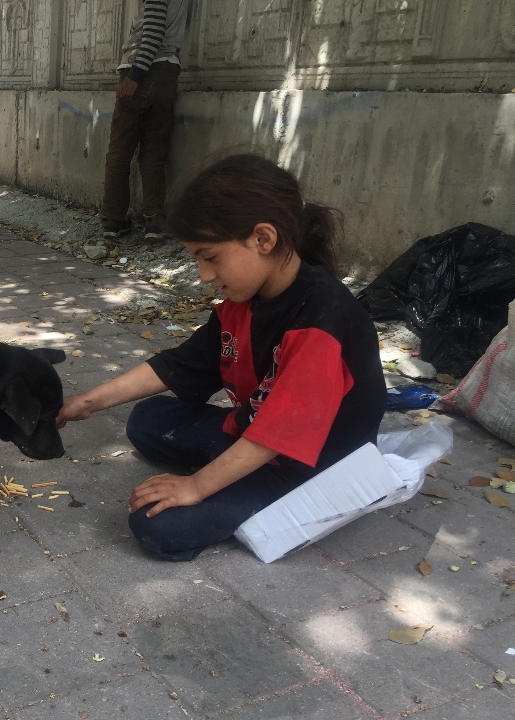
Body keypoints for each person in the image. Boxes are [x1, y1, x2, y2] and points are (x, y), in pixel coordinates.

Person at [59, 154, 386, 561]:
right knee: (147, 418)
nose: (204, 275)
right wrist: (84, 402)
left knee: (156, 523)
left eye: (210, 257)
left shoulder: (323, 321)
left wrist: (194, 486)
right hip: (257, 432)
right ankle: (227, 469)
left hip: (311, 467)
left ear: (263, 239)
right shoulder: (243, 303)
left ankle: (233, 483)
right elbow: (178, 365)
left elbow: (275, 437)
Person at [101, 0, 190, 241]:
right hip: (167, 72)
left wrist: (135, 76)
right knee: (153, 152)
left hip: (142, 69)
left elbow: (153, 31)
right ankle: (154, 222)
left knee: (119, 150)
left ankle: (113, 219)